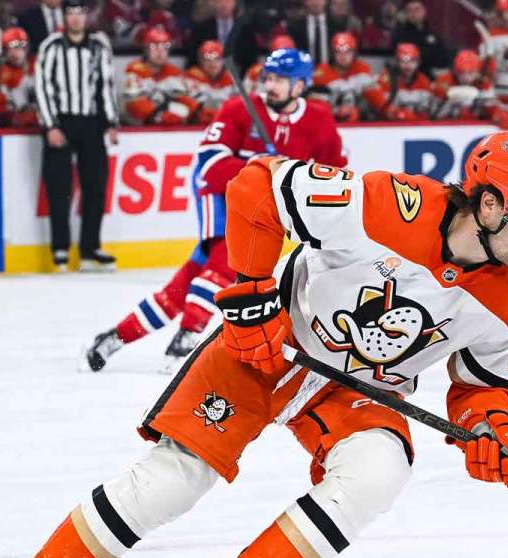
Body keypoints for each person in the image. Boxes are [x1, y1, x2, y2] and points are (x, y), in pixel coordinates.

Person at [0, 129, 508, 558]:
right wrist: (253, 292)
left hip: (358, 390)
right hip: (271, 346)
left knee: (379, 471)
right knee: (174, 478)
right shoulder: (388, 205)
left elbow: (486, 385)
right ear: (491, 204)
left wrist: (495, 428)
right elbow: (256, 186)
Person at [83, 48, 346, 373]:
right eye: (268, 78)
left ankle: (115, 337)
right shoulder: (239, 109)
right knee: (224, 264)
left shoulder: (319, 119)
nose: (270, 85)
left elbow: (333, 173)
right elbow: (209, 164)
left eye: (280, 80)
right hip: (222, 198)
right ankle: (186, 337)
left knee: (186, 282)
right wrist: (261, 166)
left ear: (300, 86)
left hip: (267, 211)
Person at [35, 0, 119, 272]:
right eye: (70, 13)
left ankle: (89, 247)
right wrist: (50, 126)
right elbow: (43, 87)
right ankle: (60, 248)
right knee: (59, 188)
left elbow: (106, 84)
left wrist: (111, 121)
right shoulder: (51, 46)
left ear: (86, 17)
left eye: (79, 13)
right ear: (64, 17)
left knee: (95, 186)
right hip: (62, 122)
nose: (75, 19)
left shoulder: (99, 45)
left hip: (92, 122)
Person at [122, 26, 198, 126]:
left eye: (165, 46)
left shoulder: (173, 72)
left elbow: (186, 98)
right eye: (154, 46)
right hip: (138, 124)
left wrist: (197, 113)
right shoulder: (135, 70)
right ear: (146, 49)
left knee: (183, 111)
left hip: (167, 121)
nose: (160, 51)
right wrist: (158, 115)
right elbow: (135, 106)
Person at [432, 49, 508, 128]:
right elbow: (433, 112)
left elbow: (491, 104)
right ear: (455, 71)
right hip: (448, 125)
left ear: (477, 71)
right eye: (461, 72)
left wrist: (499, 114)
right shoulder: (443, 81)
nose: (466, 77)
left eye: (470, 73)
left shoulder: (483, 83)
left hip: (473, 126)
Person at [311, 31, 377, 122]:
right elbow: (314, 107)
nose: (343, 56)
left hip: (361, 123)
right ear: (332, 53)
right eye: (339, 52)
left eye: (348, 51)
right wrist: (335, 112)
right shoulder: (321, 72)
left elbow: (376, 100)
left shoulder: (363, 69)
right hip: (329, 122)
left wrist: (360, 111)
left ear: (354, 52)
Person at [0, 27, 39, 129]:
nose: (15, 53)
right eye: (10, 48)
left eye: (20, 47)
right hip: (15, 123)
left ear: (27, 48)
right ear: (5, 51)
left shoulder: (39, 65)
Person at [369, 42, 437, 121]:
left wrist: (415, 119)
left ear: (418, 62)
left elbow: (427, 112)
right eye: (403, 61)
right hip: (389, 126)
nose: (407, 65)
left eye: (412, 60)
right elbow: (381, 108)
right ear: (397, 61)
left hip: (416, 126)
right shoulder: (386, 79)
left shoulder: (424, 81)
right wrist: (400, 114)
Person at [390, 0, 450, 74]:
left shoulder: (432, 34)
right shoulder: (399, 34)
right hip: (407, 77)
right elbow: (403, 58)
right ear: (406, 13)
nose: (414, 13)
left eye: (417, 9)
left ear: (424, 11)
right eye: (410, 10)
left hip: (430, 77)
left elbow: (443, 59)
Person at [184, 39, 233, 125]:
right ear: (200, 60)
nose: (212, 63)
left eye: (217, 58)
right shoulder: (192, 75)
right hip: (197, 126)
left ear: (223, 61)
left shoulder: (229, 78)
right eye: (208, 58)